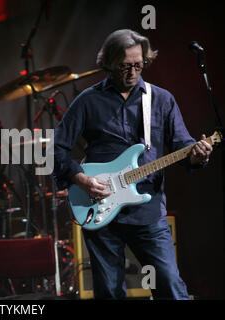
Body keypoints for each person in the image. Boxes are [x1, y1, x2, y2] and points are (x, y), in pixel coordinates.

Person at [52, 29, 212, 299]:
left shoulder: (161, 99)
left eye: (139, 65)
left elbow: (183, 144)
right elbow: (56, 148)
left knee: (171, 287)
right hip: (99, 209)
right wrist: (82, 180)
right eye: (125, 66)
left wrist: (197, 154)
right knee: (110, 292)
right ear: (109, 64)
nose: (133, 72)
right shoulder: (89, 101)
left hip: (147, 211)